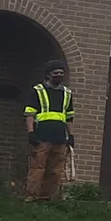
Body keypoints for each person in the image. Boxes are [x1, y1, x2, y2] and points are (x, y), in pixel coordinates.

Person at [25, 61, 75, 202]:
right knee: (37, 167)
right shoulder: (38, 91)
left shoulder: (67, 93)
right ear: (48, 75)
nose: (59, 75)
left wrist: (70, 135)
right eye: (55, 73)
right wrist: (31, 132)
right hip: (42, 135)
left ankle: (46, 198)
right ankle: (31, 196)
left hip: (60, 138)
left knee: (55, 171)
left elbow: (69, 117)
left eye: (61, 73)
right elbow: (30, 114)